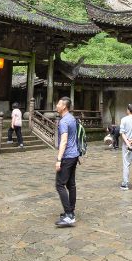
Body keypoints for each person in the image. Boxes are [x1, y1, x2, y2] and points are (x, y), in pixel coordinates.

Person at [54, 96, 79, 228]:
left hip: (67, 156)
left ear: (64, 106)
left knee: (59, 184)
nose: (57, 105)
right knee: (71, 184)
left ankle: (69, 215)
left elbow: (63, 141)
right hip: (74, 155)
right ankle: (71, 212)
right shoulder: (72, 118)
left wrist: (59, 159)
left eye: (58, 104)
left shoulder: (64, 121)